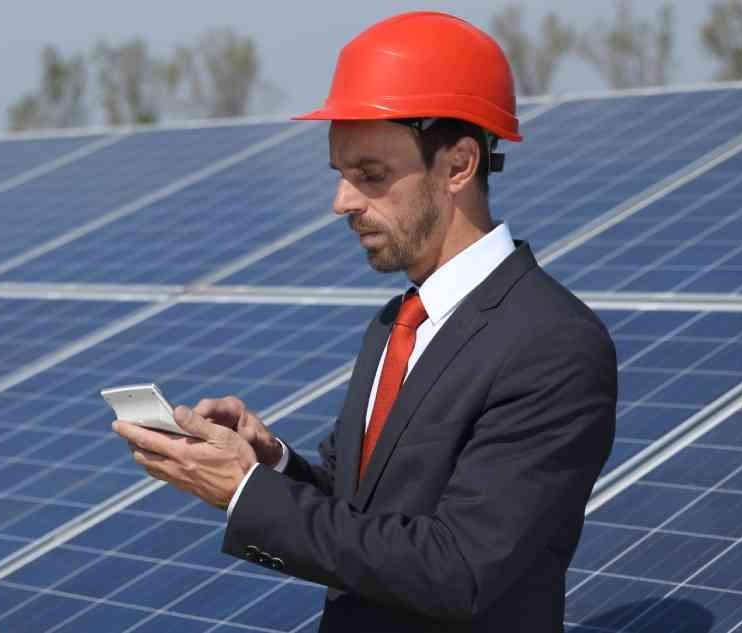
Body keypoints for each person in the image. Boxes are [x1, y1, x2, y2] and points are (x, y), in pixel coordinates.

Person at [112, 11, 617, 633]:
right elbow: (366, 514)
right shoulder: (396, 324)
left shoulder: (552, 343)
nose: (342, 202)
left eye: (371, 176)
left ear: (458, 166)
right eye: (341, 175)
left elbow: (461, 570)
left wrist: (246, 493)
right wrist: (271, 464)